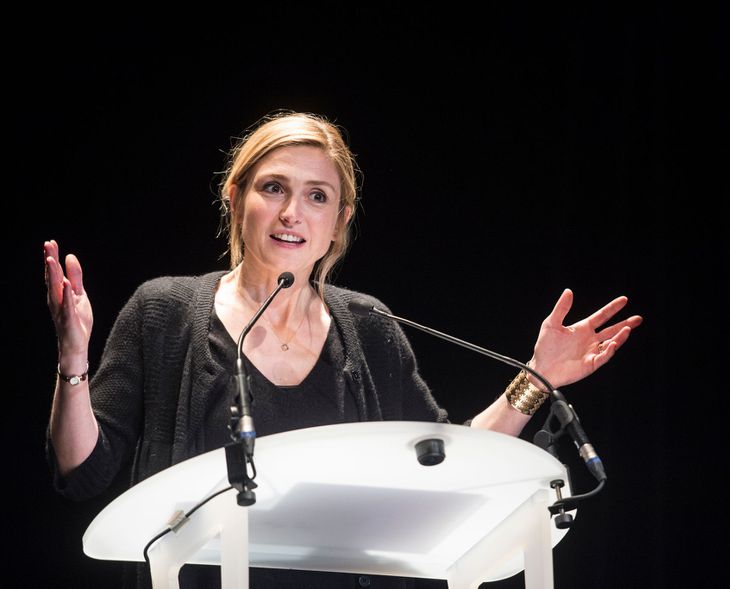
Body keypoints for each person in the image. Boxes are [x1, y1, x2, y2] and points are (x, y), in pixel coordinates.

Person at [44, 111, 642, 588]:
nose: (291, 213)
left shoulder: (370, 327)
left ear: (340, 219)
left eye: (317, 196)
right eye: (273, 187)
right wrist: (73, 361)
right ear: (235, 197)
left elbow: (447, 459)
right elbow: (82, 470)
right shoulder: (164, 311)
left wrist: (537, 376)